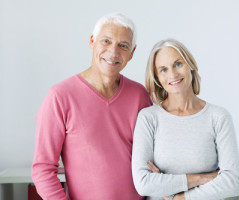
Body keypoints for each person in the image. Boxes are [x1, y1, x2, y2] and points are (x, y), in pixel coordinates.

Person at [32, 13, 152, 200]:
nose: (113, 52)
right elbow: (43, 169)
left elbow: (152, 157)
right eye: (106, 41)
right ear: (92, 42)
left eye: (123, 46)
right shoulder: (60, 96)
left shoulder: (140, 96)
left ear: (132, 53)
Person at [132, 39, 239, 200]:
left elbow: (233, 182)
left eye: (178, 64)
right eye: (163, 69)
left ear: (190, 64)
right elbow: (144, 183)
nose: (173, 74)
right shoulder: (149, 118)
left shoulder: (218, 117)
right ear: (157, 77)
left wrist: (178, 197)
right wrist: (203, 178)